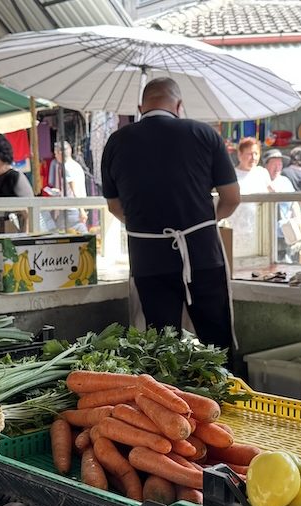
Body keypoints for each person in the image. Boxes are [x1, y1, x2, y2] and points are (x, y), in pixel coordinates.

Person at [101, 77, 240, 352]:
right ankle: (227, 393)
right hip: (201, 252)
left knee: (162, 349)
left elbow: (115, 207)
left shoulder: (116, 141)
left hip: (147, 256)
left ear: (141, 107)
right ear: (178, 105)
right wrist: (205, 223)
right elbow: (232, 198)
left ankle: (167, 395)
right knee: (216, 343)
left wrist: (148, 228)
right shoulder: (204, 134)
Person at [231, 137, 271, 258]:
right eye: (249, 154)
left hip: (261, 231)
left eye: (256, 153)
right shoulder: (232, 174)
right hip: (238, 232)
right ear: (240, 154)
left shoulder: (262, 173)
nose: (253, 158)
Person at [263, 149, 301, 264]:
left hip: (284, 232)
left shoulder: (285, 182)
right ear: (266, 165)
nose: (277, 167)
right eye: (274, 164)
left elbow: (294, 203)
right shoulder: (260, 181)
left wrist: (299, 221)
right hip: (265, 234)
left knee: (285, 262)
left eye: (279, 164)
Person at [48, 140, 87, 232]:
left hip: (71, 209)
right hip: (75, 208)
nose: (55, 156)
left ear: (60, 153)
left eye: (55, 153)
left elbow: (74, 190)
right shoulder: (76, 165)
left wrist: (81, 210)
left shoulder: (67, 167)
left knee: (59, 234)